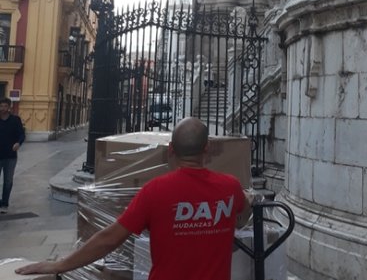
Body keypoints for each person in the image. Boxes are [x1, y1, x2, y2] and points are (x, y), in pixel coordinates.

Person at [16, 117, 252, 279]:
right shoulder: (230, 188)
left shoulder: (155, 191)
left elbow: (109, 239)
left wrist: (60, 265)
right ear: (207, 149)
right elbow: (247, 212)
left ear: (170, 149)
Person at [0, 96, 25, 214]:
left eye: (5, 106)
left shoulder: (15, 120)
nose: (3, 108)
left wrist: (18, 143)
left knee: (8, 181)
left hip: (10, 156)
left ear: (9, 107)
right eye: (1, 106)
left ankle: (4, 203)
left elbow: (21, 134)